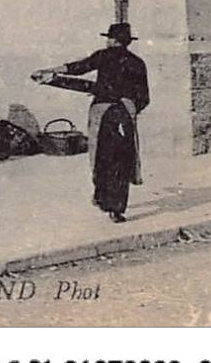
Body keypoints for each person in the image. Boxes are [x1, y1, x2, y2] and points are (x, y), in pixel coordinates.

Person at [34, 22, 150, 222]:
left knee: (101, 157)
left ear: (112, 40)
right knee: (121, 160)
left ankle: (101, 197)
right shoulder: (138, 63)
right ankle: (117, 209)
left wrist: (51, 71)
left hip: (102, 114)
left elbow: (79, 68)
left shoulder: (103, 56)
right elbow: (145, 97)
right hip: (123, 116)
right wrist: (130, 108)